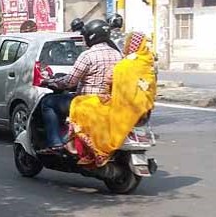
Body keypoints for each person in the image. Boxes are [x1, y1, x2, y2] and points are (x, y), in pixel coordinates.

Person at [64, 31, 157, 166]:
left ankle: (87, 148)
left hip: (123, 107)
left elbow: (110, 81)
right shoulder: (147, 62)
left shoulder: (126, 63)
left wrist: (106, 92)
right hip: (142, 110)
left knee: (79, 104)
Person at [38, 19, 123, 153]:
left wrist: (49, 82)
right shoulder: (118, 54)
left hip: (87, 102)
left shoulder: (88, 55)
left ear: (91, 36)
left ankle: (55, 143)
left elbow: (70, 81)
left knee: (48, 102)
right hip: (108, 103)